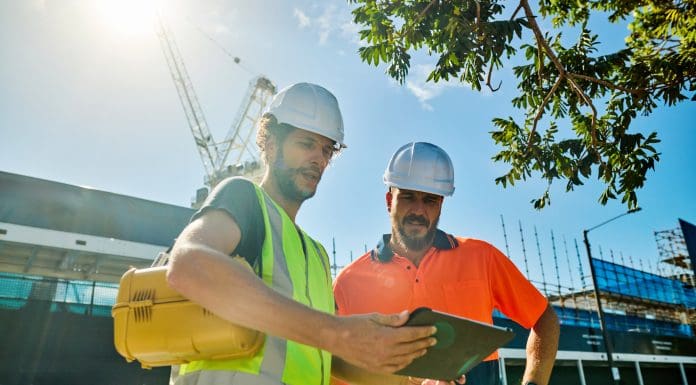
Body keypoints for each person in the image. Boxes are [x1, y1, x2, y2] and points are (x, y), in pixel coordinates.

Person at [166, 84, 437, 385]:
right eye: (306, 143)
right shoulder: (244, 197)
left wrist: (410, 381)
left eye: (325, 150)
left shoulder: (317, 254)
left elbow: (328, 355)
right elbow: (188, 265)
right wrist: (338, 332)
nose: (318, 159)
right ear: (269, 144)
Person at [333, 142, 560, 385]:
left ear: (441, 204)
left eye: (430, 200)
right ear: (390, 200)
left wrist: (533, 381)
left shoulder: (482, 257)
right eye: (408, 197)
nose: (418, 210)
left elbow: (544, 318)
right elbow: (336, 367)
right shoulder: (348, 283)